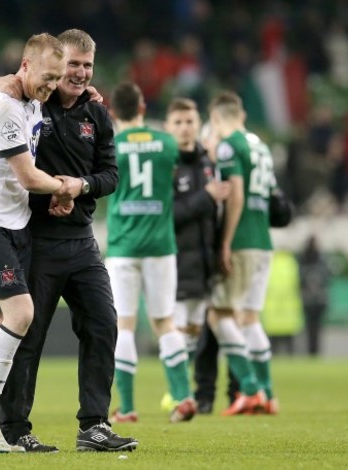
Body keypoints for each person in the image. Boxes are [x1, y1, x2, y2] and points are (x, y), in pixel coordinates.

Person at [0, 31, 136, 454]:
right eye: (70, 66)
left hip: (81, 241)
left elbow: (110, 176)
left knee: (103, 322)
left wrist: (79, 186)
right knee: (26, 331)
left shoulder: (97, 114)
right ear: (50, 68)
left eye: (86, 66)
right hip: (34, 237)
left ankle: (94, 425)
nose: (76, 74)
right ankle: (12, 427)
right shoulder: (30, 100)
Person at [0, 32, 78, 454]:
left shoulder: (32, 102)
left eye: (57, 78)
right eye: (47, 76)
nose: (51, 86)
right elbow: (28, 176)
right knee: (21, 313)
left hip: (14, 224)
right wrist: (66, 187)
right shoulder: (5, 107)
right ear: (25, 67)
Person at [106, 82, 196, 424]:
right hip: (161, 245)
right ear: (142, 108)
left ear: (114, 113)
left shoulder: (112, 145)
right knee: (165, 322)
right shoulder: (166, 143)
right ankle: (183, 397)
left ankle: (127, 408)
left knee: (124, 325)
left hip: (125, 246)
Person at [162, 97, 235, 416]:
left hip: (203, 261)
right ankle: (177, 392)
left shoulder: (207, 162)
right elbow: (167, 214)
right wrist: (205, 198)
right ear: (168, 127)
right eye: (178, 122)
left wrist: (221, 247)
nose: (185, 128)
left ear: (198, 124)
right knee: (175, 325)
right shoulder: (165, 162)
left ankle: (183, 390)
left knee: (192, 328)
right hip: (174, 259)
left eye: (190, 121)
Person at [207, 90, 277, 415]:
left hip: (242, 240)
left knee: (219, 315)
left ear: (216, 118)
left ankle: (249, 389)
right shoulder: (260, 145)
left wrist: (225, 242)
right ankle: (268, 393)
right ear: (242, 114)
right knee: (249, 318)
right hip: (264, 241)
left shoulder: (228, 145)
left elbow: (235, 197)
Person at [298, 236, 330, 356]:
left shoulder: (302, 260)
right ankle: (316, 351)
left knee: (310, 327)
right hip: (319, 299)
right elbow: (327, 279)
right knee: (317, 327)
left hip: (307, 299)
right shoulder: (321, 260)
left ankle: (311, 351)